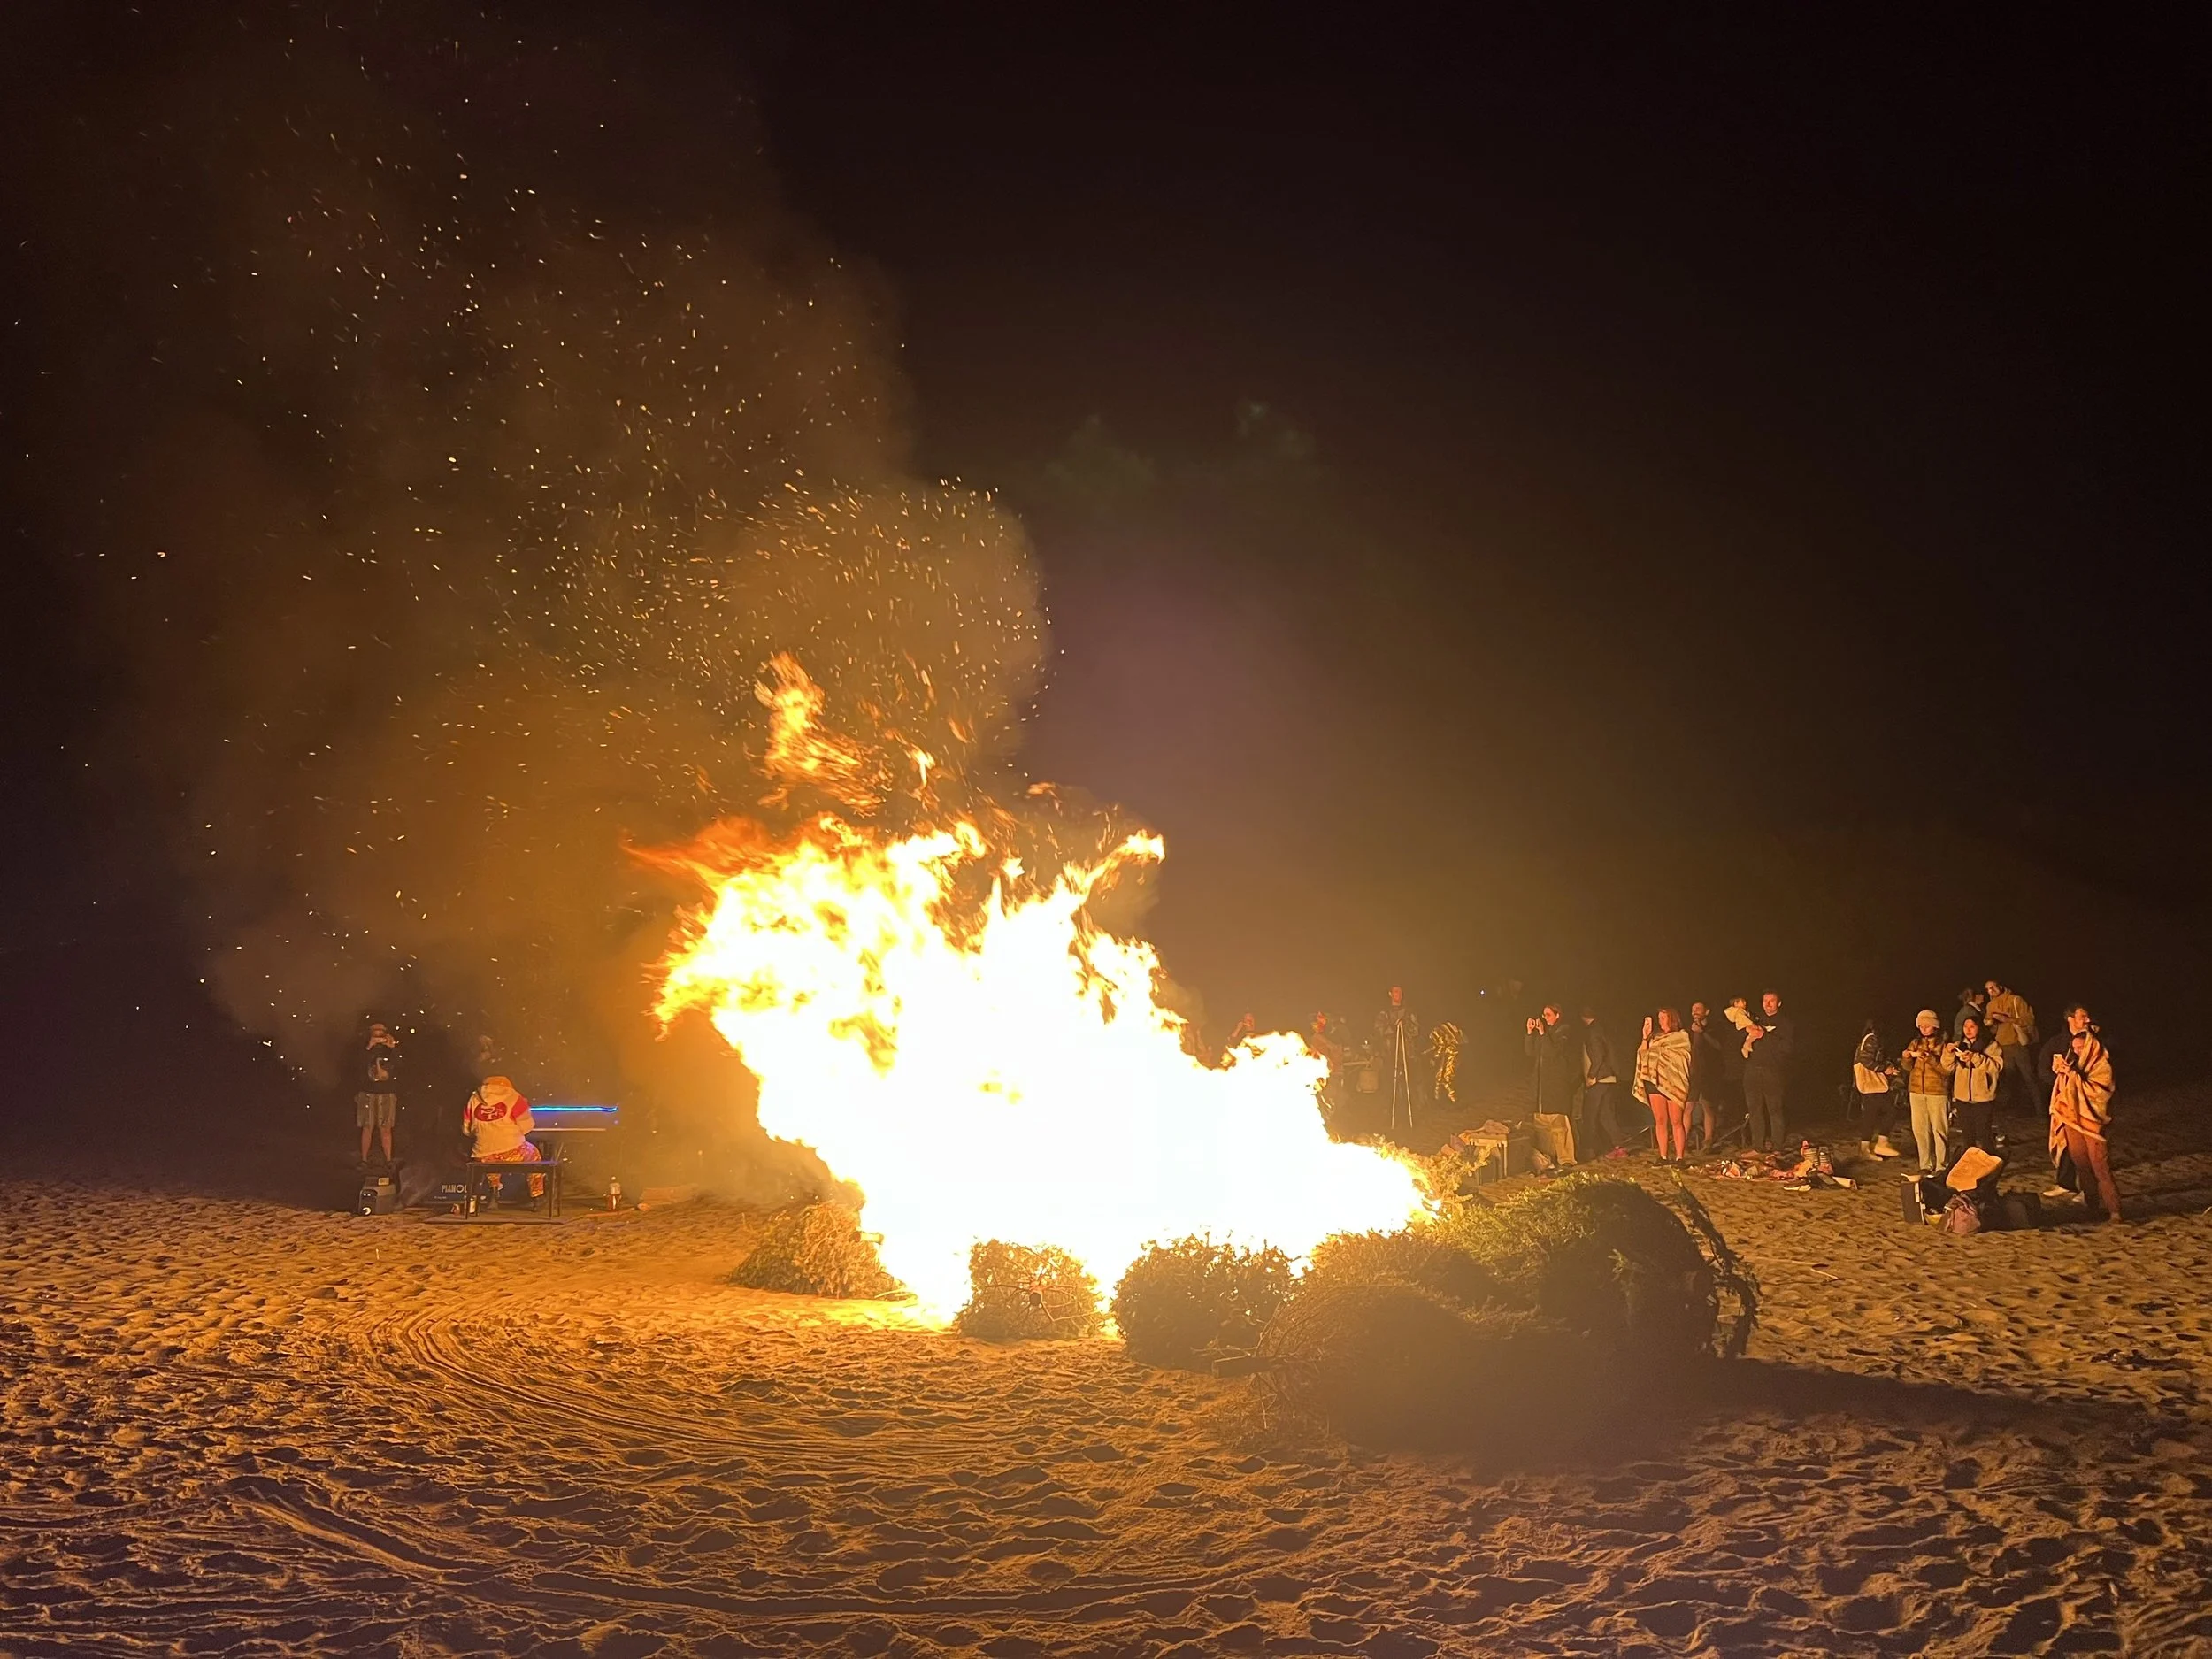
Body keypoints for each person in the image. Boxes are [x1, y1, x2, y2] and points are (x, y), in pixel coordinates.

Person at [2047, 1004, 2119, 1221]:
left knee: (2100, 1166)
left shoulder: (2100, 1066)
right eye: (2075, 1048)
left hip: (2091, 1122)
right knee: (2082, 1165)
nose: (2078, 1052)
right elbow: (2061, 1091)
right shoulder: (2072, 1063)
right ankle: (2092, 1208)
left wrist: (2074, 1076)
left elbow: (2100, 1091)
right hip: (2072, 1119)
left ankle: (2115, 1210)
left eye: (2081, 1048)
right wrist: (2062, 1073)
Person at [465, 1074, 544, 1202]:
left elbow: (466, 1129)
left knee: (489, 1156)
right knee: (533, 1154)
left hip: (482, 1155)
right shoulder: (514, 1098)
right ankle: (537, 1196)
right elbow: (527, 1127)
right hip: (511, 1150)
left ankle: (494, 1192)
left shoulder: (473, 1099)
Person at [1634, 1008, 1694, 1164]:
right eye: (1659, 1018)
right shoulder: (1655, 1037)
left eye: (1663, 1017)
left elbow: (1683, 1057)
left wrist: (1660, 1054)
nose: (1660, 1021)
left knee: (1676, 1121)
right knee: (1660, 1120)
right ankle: (1663, 1156)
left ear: (1671, 1018)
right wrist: (1645, 1038)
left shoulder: (1681, 1036)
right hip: (1655, 1081)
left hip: (1674, 1082)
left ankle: (1680, 1157)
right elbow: (1643, 1055)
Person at [1941, 1013, 2004, 1156]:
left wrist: (1975, 1058)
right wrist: (1949, 1053)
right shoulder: (1960, 1045)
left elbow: (1996, 1067)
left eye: (1972, 1027)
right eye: (1965, 1027)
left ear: (1979, 1028)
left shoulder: (1991, 1045)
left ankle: (1991, 1165)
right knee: (1967, 1136)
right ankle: (1969, 1167)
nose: (1968, 1030)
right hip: (1963, 1097)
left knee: (1984, 1135)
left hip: (1983, 1098)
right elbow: (1948, 1066)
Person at [1740, 989, 1794, 1152]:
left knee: (1775, 1110)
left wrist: (1765, 1035)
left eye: (1772, 1001)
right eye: (1765, 1001)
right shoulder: (1755, 1021)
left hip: (1773, 1071)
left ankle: (1777, 1145)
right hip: (1752, 1071)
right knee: (1754, 1110)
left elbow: (1787, 1048)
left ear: (1779, 1003)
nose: (1768, 1004)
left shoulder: (1786, 1023)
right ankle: (1758, 1145)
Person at [1900, 1009, 1950, 1176]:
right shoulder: (1915, 1043)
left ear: (1935, 1027)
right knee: (1920, 1129)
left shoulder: (1944, 1045)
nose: (1923, 1028)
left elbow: (1946, 1071)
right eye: (1921, 1025)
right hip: (1916, 1091)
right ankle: (1925, 1164)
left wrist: (1930, 1058)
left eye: (1927, 1025)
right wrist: (1906, 1057)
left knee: (1939, 1130)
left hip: (1937, 1091)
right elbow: (1907, 1068)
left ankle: (1942, 1165)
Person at [1372, 986, 1424, 1136]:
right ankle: (1389, 1116)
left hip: (1407, 1054)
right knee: (1390, 1085)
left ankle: (1411, 1116)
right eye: (1395, 991)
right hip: (1390, 1055)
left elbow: (1416, 1030)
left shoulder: (1409, 1012)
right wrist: (1393, 1028)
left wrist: (1405, 1025)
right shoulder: (1384, 1013)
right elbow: (1378, 1030)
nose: (1398, 994)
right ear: (1390, 994)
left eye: (1400, 991)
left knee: (1409, 1085)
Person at [1984, 979, 2040, 1107]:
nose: (1991, 991)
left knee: (2028, 1077)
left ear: (2000, 986)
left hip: (2018, 1043)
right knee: (2010, 1079)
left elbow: (2029, 1020)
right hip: (2003, 1044)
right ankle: (2017, 1109)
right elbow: (1992, 1029)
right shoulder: (1990, 1006)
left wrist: (2007, 1019)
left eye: (1993, 987)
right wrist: (1991, 1023)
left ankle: (2040, 1109)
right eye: (1988, 989)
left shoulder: (2016, 1000)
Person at [1578, 1006, 1625, 1156]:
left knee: (1590, 1114)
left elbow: (1598, 1056)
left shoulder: (1593, 1032)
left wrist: (1591, 1076)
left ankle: (1589, 1149)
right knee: (1606, 1114)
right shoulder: (1603, 1029)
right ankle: (1619, 1145)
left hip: (1599, 1079)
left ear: (1583, 1017)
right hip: (1609, 1077)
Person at [1852, 1018, 1901, 1158]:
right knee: (1888, 1111)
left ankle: (1867, 1148)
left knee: (1871, 1115)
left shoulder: (1869, 1038)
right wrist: (1885, 1069)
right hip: (1871, 1085)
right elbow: (1866, 1060)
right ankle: (1879, 1144)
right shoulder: (1873, 1039)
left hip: (1870, 1086)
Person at [356, 1020, 402, 1168]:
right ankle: (364, 1160)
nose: (378, 1034)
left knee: (386, 1128)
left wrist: (393, 1048)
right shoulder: (364, 1048)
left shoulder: (390, 1048)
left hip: (387, 1092)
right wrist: (369, 1047)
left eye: (381, 1031)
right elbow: (356, 1066)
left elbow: (400, 1066)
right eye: (375, 1030)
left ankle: (389, 1161)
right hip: (368, 1093)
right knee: (367, 1127)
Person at [1686, 1002, 1731, 1152]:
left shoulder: (1715, 1028)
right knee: (1688, 1106)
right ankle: (1683, 1140)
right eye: (1693, 1009)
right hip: (1693, 1073)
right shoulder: (1688, 1030)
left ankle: (1708, 1140)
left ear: (1707, 1011)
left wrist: (1702, 1032)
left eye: (1698, 1009)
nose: (1695, 1012)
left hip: (1710, 1074)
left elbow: (1719, 1046)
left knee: (1708, 1107)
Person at [1525, 1004, 1578, 1120]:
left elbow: (1553, 1052)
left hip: (1557, 1081)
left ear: (1557, 1015)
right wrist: (1529, 1033)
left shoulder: (1564, 1030)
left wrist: (1543, 1033)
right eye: (1544, 1015)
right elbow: (1531, 1052)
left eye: (1549, 1015)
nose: (1545, 1018)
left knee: (1557, 1115)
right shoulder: (1546, 1032)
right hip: (1543, 1082)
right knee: (1543, 1115)